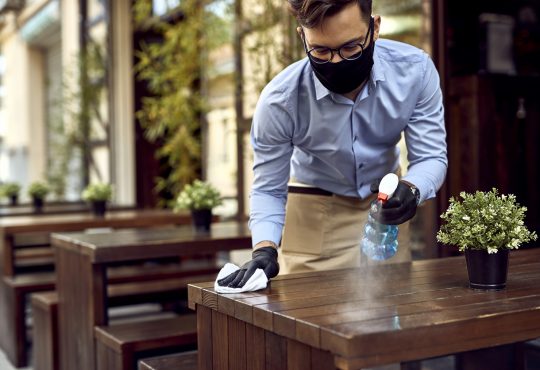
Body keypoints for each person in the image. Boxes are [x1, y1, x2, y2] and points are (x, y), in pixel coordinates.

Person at [218, 0, 447, 288]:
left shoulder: (415, 72)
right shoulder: (281, 100)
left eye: (350, 48)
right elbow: (268, 187)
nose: (336, 62)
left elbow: (431, 157)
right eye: (321, 51)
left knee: (391, 315)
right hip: (315, 216)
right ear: (302, 36)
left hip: (386, 212)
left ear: (374, 28)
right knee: (307, 322)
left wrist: (412, 190)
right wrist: (264, 247)